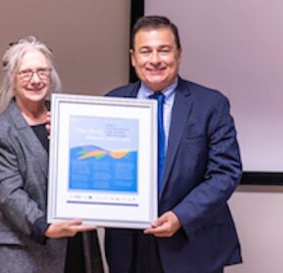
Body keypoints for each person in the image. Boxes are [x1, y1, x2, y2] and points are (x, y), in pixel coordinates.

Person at [105, 16, 242, 273]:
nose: (155, 59)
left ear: (178, 54)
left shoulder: (210, 105)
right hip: (129, 248)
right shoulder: (113, 102)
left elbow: (225, 173)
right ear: (133, 58)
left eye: (164, 50)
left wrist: (181, 216)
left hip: (191, 243)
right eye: (146, 51)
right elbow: (98, 161)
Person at [0, 36, 104, 273]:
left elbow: (92, 168)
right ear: (11, 79)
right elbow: (8, 193)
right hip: (31, 250)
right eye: (25, 73)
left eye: (42, 72)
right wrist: (43, 226)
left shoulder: (71, 121)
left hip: (78, 246)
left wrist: (69, 139)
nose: (35, 80)